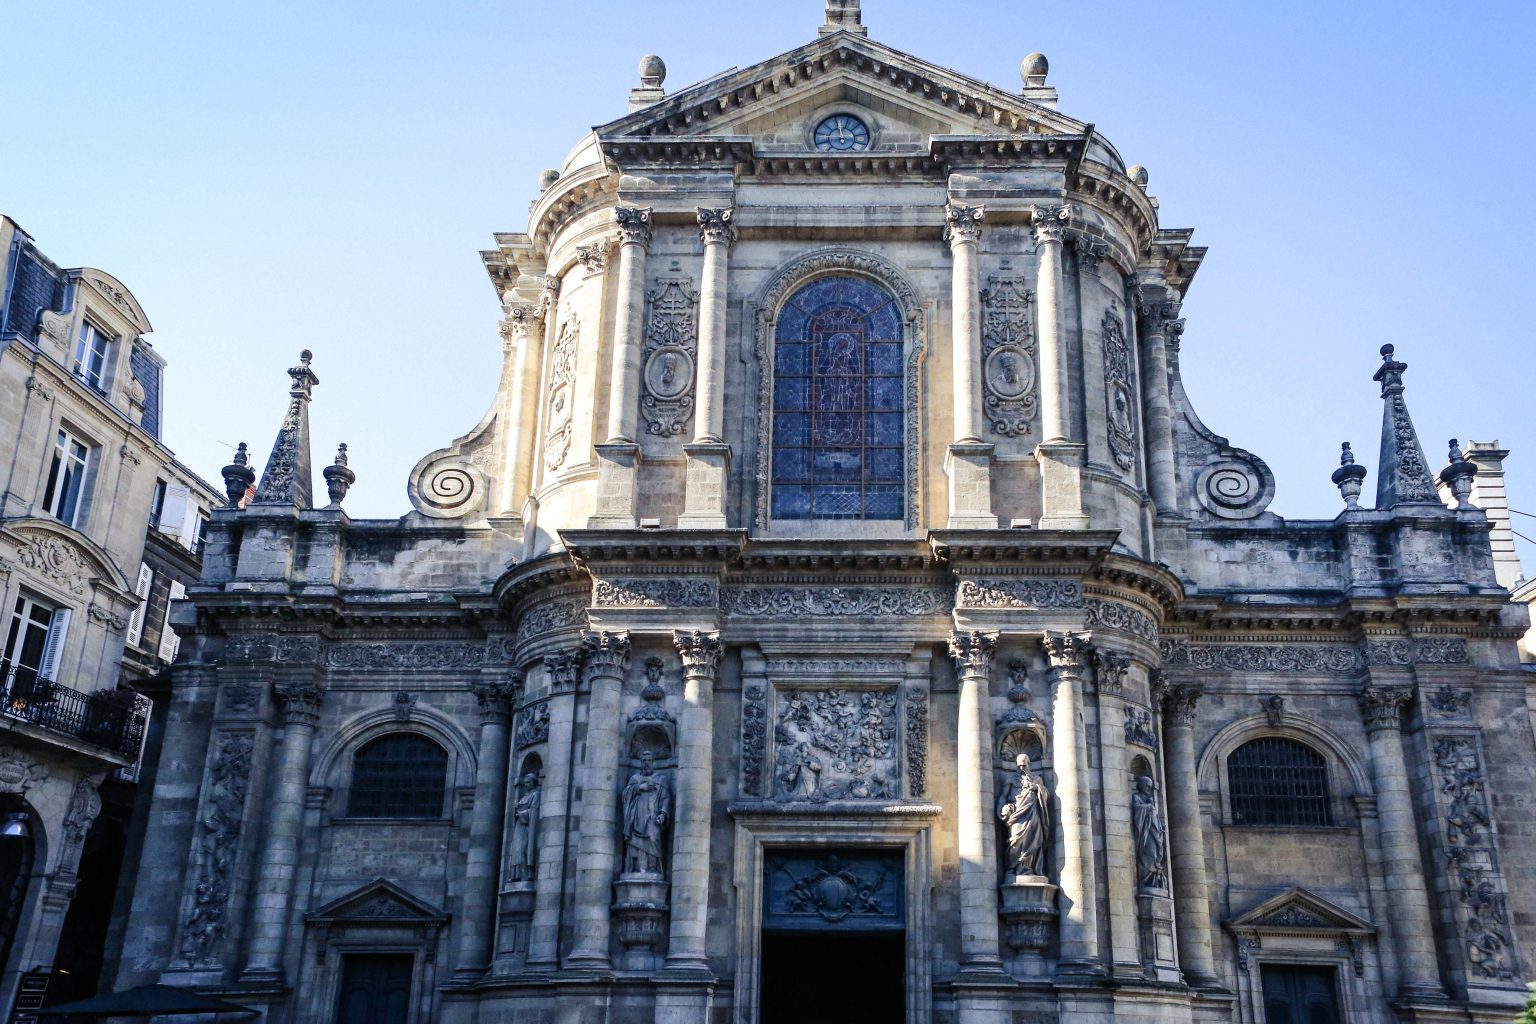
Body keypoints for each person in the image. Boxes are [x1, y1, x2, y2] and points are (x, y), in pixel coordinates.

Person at [998, 753, 1050, 878]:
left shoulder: (1037, 779)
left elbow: (1046, 794)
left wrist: (1036, 788)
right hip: (1016, 813)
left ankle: (1028, 868)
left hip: (1033, 813)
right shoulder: (1010, 779)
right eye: (1019, 765)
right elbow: (1003, 796)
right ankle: (1012, 868)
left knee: (1034, 841)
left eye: (1024, 765)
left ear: (1029, 764)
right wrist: (1000, 809)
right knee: (1015, 840)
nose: (1022, 768)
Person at [622, 751, 671, 876]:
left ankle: (653, 868)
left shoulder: (661, 779)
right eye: (644, 761)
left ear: (653, 762)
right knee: (635, 843)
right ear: (640, 762)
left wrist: (663, 813)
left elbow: (666, 798)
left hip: (652, 817)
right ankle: (636, 868)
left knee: (653, 838)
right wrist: (639, 788)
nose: (646, 763)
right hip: (636, 817)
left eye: (649, 760)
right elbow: (625, 795)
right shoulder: (634, 779)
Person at [1131, 774, 1169, 890]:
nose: (1149, 788)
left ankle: (1155, 880)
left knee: (1157, 854)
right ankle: (1146, 881)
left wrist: (1160, 826)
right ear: (1141, 785)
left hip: (1155, 832)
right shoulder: (1136, 797)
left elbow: (1154, 817)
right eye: (1147, 786)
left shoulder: (1150, 800)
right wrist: (1148, 806)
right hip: (1145, 834)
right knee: (1150, 854)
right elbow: (1137, 810)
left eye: (1150, 787)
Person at [507, 769, 541, 882]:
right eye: (525, 782)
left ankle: (526, 875)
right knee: (516, 851)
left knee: (523, 849)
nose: (526, 785)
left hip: (527, 828)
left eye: (528, 782)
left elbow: (534, 811)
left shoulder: (536, 794)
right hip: (519, 827)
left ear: (533, 782)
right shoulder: (525, 796)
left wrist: (521, 814)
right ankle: (516, 875)